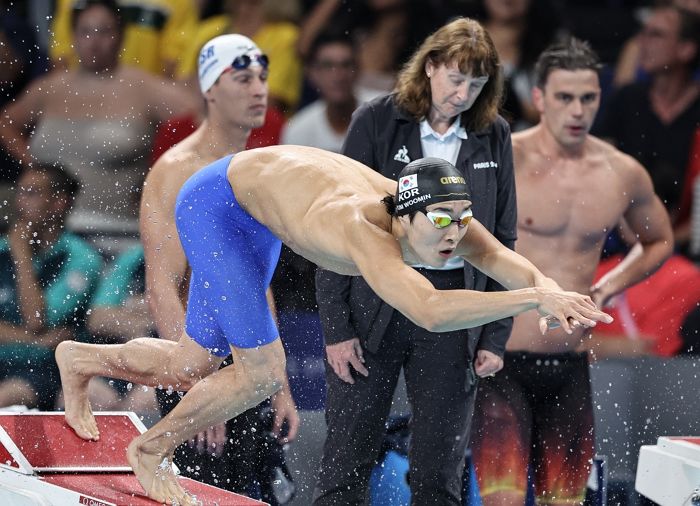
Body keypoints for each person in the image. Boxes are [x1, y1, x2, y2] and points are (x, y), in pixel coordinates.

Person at [56, 145, 612, 506]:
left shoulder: (437, 210)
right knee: (261, 375)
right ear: (405, 215)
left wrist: (550, 289)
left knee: (190, 364)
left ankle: (80, 359)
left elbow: (500, 261)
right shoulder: (363, 229)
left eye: (460, 221)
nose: (453, 234)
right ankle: (151, 451)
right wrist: (529, 299)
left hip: (251, 206)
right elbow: (432, 311)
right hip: (216, 205)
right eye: (441, 222)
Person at [313, 17, 516, 505]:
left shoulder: (494, 134)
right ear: (430, 66)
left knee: (437, 477)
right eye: (455, 77)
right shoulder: (377, 120)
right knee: (345, 467)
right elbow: (336, 226)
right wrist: (337, 330)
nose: (463, 93)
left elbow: (502, 237)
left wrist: (494, 335)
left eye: (477, 83)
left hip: (452, 310)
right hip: (375, 297)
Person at [470, 38, 674, 506]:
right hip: (499, 362)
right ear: (539, 98)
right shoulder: (504, 160)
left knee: (566, 504)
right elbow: (456, 236)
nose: (577, 110)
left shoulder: (620, 172)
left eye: (588, 97)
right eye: (565, 97)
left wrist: (604, 288)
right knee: (501, 502)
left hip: (570, 367)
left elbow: (659, 240)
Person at [139, 33, 298, 500]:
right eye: (244, 78)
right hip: (196, 358)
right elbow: (162, 287)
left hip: (250, 360)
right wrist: (196, 386)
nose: (259, 90)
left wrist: (279, 380)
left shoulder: (255, 169)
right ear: (210, 88)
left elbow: (254, 282)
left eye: (264, 78)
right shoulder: (175, 171)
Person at [0, 0, 197, 239]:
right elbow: (6, 122)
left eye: (104, 31)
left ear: (122, 36)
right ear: (73, 36)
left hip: (116, 234)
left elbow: (202, 119)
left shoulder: (144, 88)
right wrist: (35, 167)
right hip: (50, 236)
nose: (94, 42)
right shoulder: (50, 88)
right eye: (86, 31)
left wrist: (161, 178)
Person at [594, 4, 700, 254]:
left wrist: (665, 241)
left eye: (657, 35)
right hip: (621, 235)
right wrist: (624, 225)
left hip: (687, 244)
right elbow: (599, 168)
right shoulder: (628, 99)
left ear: (686, 49)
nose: (643, 42)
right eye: (644, 32)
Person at [0, 163, 102, 410]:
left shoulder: (80, 258)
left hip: (43, 370)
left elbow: (37, 321)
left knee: (7, 397)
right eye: (20, 192)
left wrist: (22, 255)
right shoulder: (2, 249)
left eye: (32, 193)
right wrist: (32, 339)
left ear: (59, 203)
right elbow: (37, 334)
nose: (20, 203)